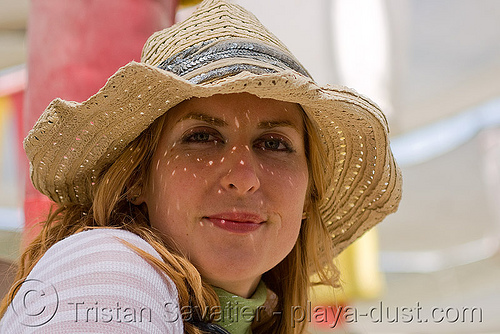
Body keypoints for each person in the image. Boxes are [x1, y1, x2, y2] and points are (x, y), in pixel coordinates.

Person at [0, 0, 402, 333]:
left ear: (309, 191)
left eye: (274, 144)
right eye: (201, 138)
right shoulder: (108, 271)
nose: (243, 178)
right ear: (138, 176)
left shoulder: (238, 317)